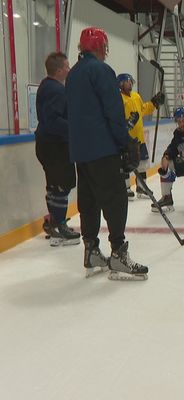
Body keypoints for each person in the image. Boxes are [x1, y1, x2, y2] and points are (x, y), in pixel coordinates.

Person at [66, 27, 147, 280]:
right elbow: (113, 112)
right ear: (101, 47)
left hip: (81, 151)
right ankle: (118, 254)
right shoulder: (102, 70)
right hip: (103, 148)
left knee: (89, 200)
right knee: (115, 198)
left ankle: (91, 250)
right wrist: (125, 142)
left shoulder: (73, 74)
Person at [35, 51, 80, 247]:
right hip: (55, 145)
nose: (69, 70)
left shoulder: (46, 86)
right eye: (67, 66)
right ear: (60, 70)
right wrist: (75, 128)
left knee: (54, 185)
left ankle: (54, 223)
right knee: (62, 184)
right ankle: (59, 226)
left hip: (47, 144)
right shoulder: (56, 90)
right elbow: (53, 120)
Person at [117, 72, 164, 200]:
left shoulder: (136, 96)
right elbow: (116, 117)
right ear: (121, 84)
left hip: (139, 138)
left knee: (142, 164)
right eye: (128, 81)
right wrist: (126, 123)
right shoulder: (118, 99)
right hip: (127, 138)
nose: (130, 83)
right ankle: (126, 188)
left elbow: (143, 110)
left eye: (131, 81)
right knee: (126, 164)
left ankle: (141, 188)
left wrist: (154, 103)